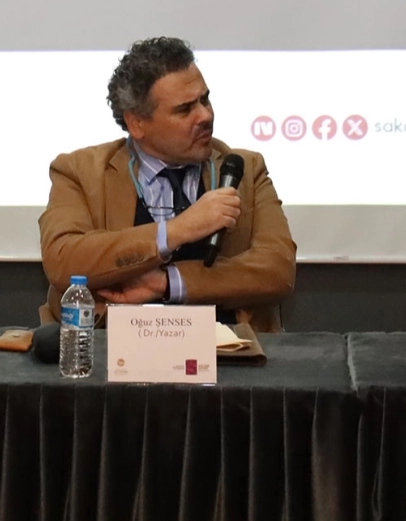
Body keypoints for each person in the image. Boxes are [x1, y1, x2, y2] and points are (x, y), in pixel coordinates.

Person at [39, 37, 297, 332]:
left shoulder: (246, 168)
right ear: (137, 123)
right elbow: (64, 261)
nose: (205, 116)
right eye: (185, 110)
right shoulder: (80, 172)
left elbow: (277, 270)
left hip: (227, 351)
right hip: (113, 347)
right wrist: (176, 230)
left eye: (205, 100)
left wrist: (169, 282)